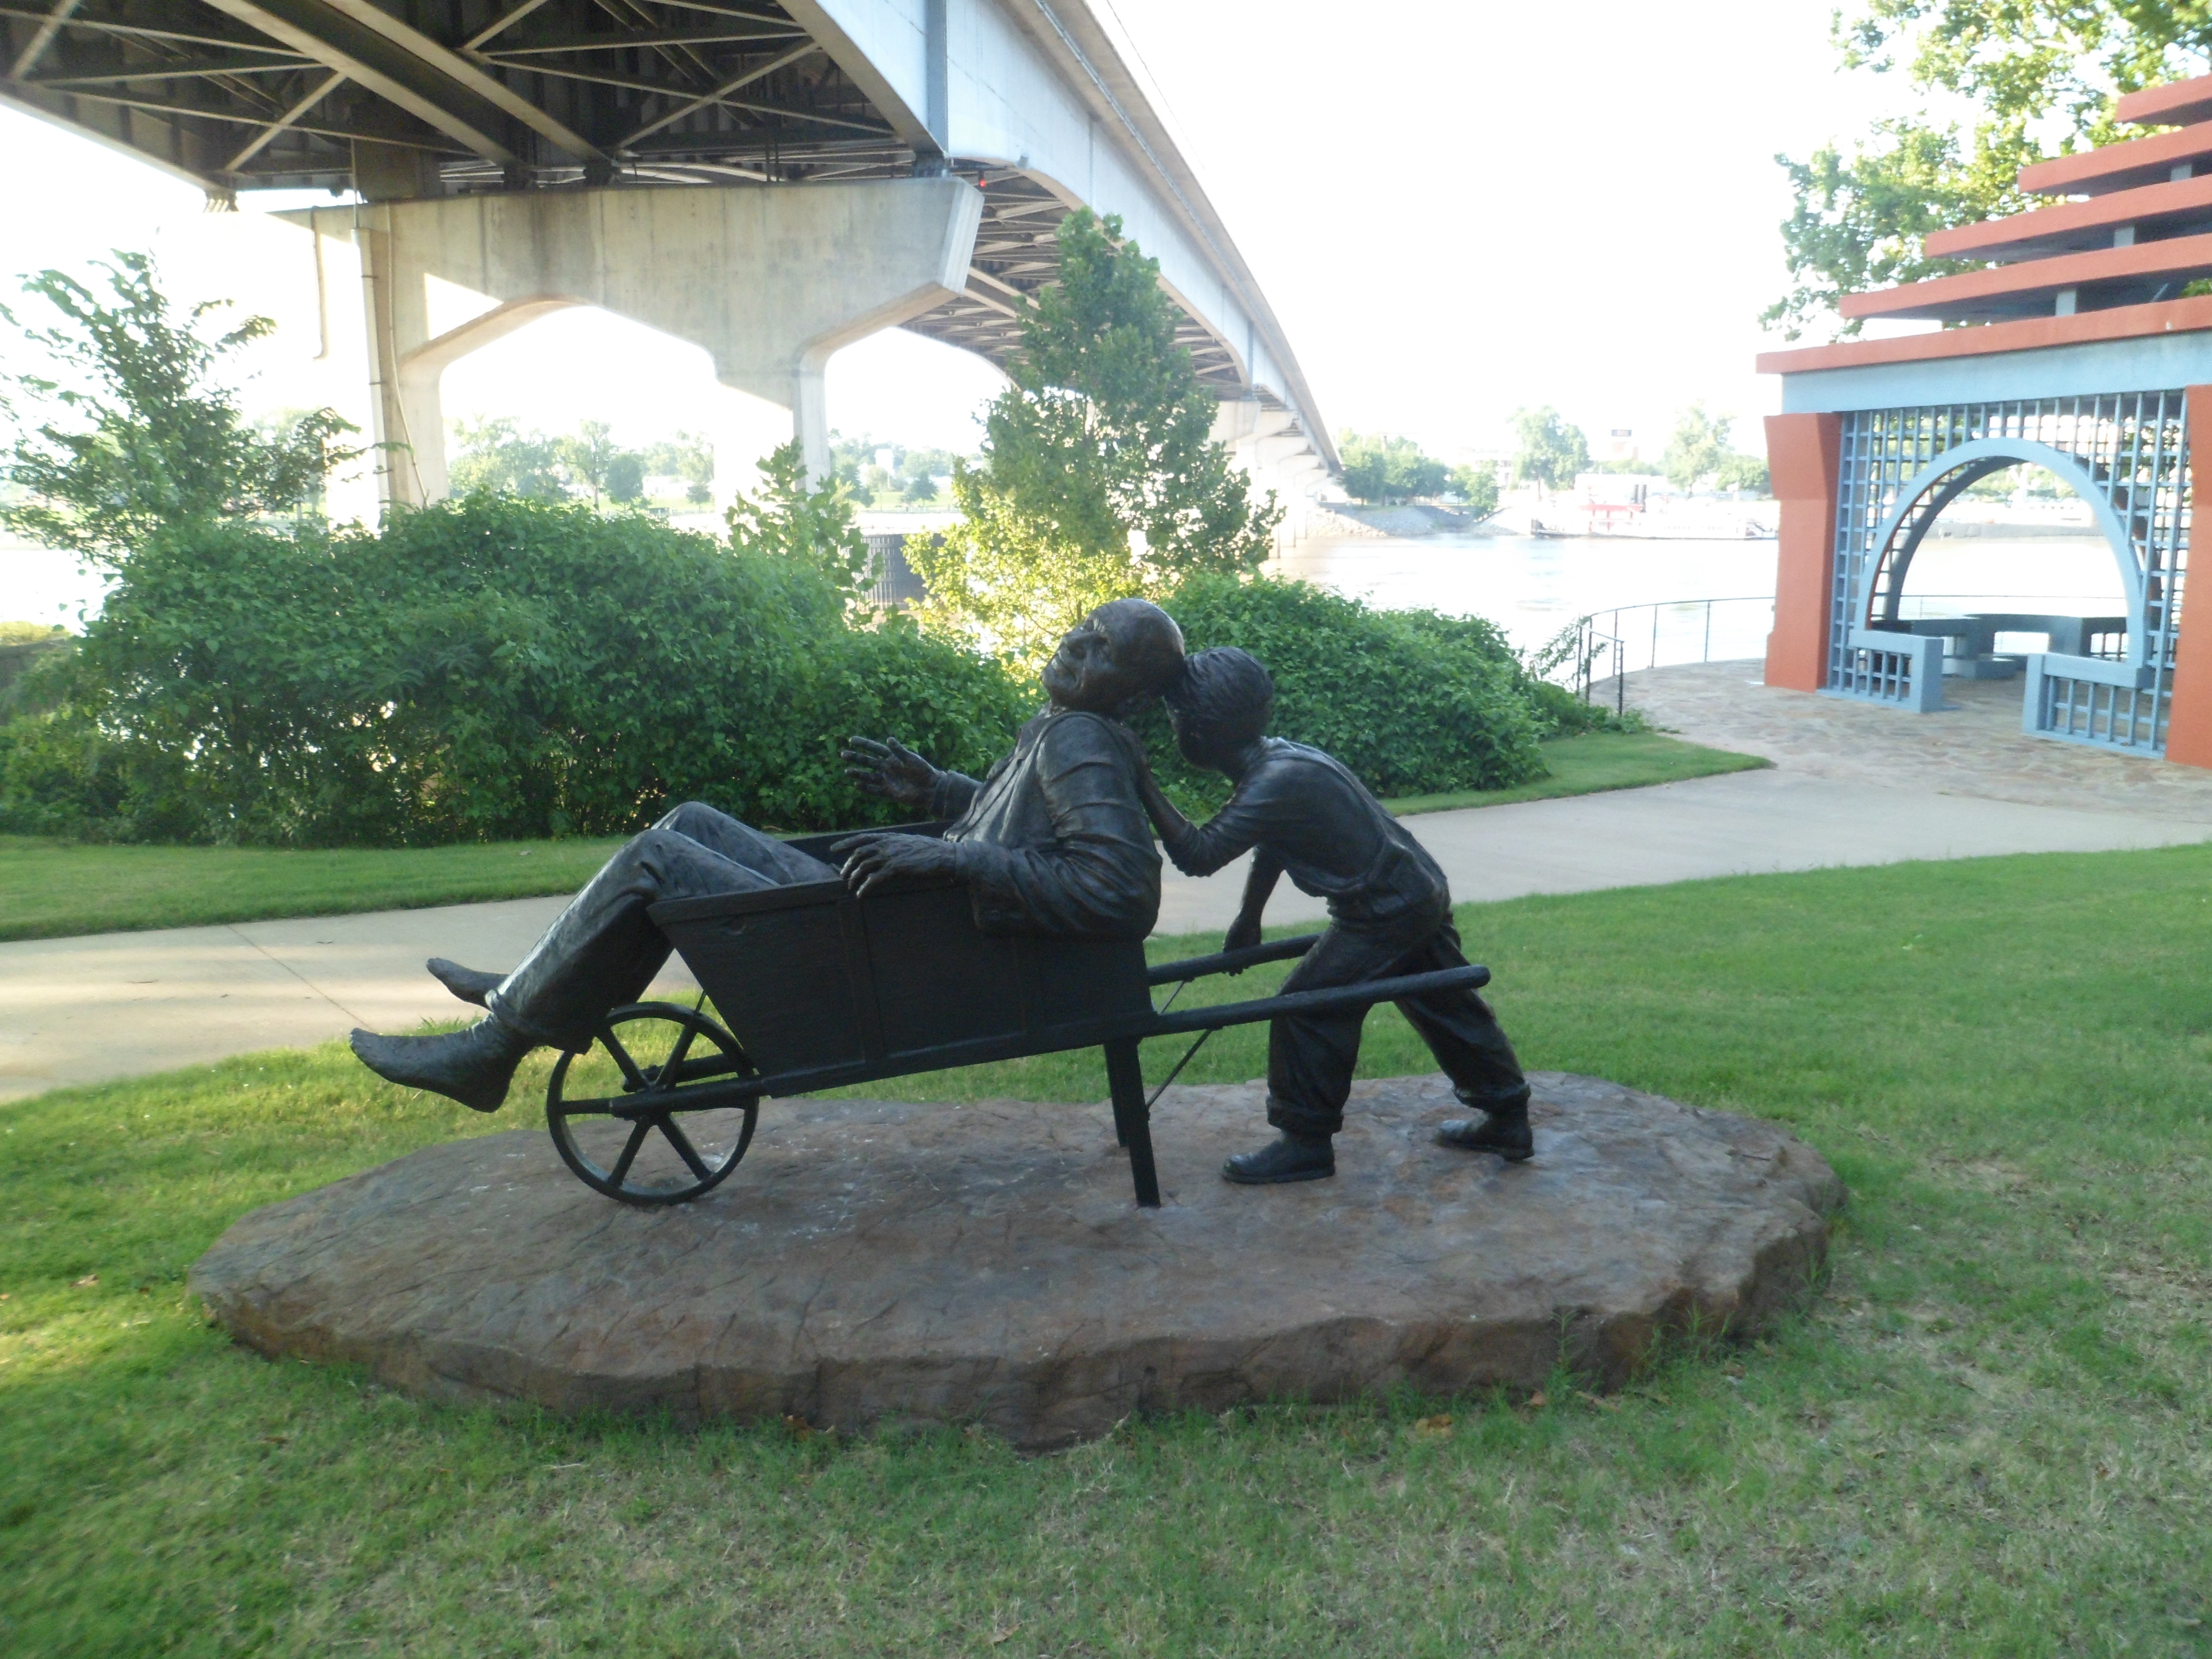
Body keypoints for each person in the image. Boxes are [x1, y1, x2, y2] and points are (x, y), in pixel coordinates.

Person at [349, 599, 1186, 1111]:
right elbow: (1016, 827)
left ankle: (493, 1047)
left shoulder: (1080, 741)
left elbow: (1117, 891)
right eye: (1085, 628)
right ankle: (534, 990)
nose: (1076, 645)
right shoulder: (1061, 727)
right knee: (690, 822)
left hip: (903, 947)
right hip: (898, 920)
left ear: (1137, 692)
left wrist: (953, 861)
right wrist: (938, 793)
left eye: (1102, 650)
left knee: (656, 858)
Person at [1133, 647, 1532, 1185]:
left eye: (1175, 720)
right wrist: (1249, 917)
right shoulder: (1279, 762)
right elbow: (1274, 841)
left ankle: (1305, 1143)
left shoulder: (1276, 778)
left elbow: (1199, 856)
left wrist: (1142, 781)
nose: (1174, 730)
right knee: (1445, 1003)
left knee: (1307, 1008)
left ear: (1202, 733)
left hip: (1385, 909)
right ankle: (1508, 1117)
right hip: (1411, 891)